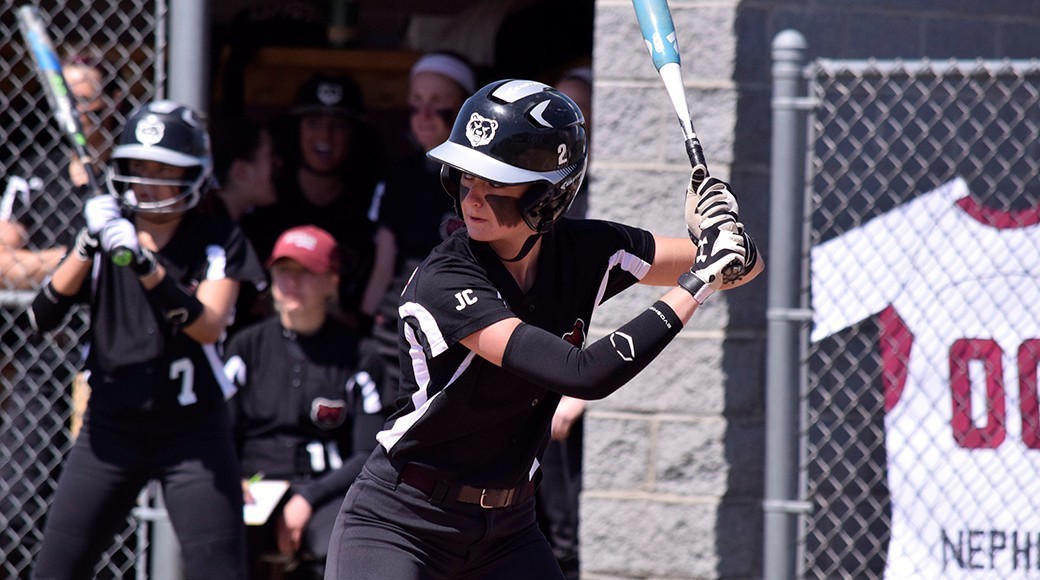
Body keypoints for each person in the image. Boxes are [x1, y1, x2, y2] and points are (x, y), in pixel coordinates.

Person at [323, 79, 763, 578]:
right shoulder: (446, 279)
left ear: (550, 194)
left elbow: (740, 268)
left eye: (496, 182)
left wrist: (719, 230)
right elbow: (582, 374)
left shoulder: (585, 249)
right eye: (467, 176)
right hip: (401, 522)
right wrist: (701, 279)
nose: (473, 198)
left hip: (507, 532)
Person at [28, 100, 265, 579]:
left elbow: (208, 325)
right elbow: (40, 315)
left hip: (194, 432)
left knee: (219, 570)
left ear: (194, 175)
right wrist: (87, 243)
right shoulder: (106, 234)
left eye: (165, 169)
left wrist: (141, 262)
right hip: (109, 428)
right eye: (140, 168)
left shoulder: (219, 238)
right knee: (55, 571)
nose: (149, 180)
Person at [0, 52, 120, 578]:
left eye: (84, 97)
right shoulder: (36, 170)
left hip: (110, 353)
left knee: (103, 495)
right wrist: (74, 255)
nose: (72, 110)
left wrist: (48, 262)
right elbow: (2, 263)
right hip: (44, 350)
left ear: (110, 103)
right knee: (20, 491)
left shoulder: (127, 177)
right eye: (61, 98)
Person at [223, 224, 392, 579]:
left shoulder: (360, 355)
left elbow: (368, 453)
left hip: (324, 488)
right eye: (284, 272)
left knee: (347, 547)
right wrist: (231, 479)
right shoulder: (245, 347)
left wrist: (307, 498)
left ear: (332, 280)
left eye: (306, 272)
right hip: (252, 488)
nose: (292, 283)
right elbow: (218, 432)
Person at [360, 51, 475, 386]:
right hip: (399, 320)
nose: (424, 114)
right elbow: (384, 264)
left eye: (437, 102)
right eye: (416, 102)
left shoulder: (482, 179)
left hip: (462, 317)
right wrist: (364, 325)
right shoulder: (399, 176)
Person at [241, 73, 383, 331]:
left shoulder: (368, 198)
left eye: (338, 125)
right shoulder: (271, 195)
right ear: (297, 129)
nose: (325, 136)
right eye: (314, 123)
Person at [533, 64, 593, 580]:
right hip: (532, 366)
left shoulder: (590, 208)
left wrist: (573, 392)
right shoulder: (529, 200)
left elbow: (608, 300)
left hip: (574, 373)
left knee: (565, 531)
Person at [208, 116, 281, 336]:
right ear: (241, 171)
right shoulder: (209, 226)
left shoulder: (251, 224)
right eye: (269, 157)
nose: (279, 164)